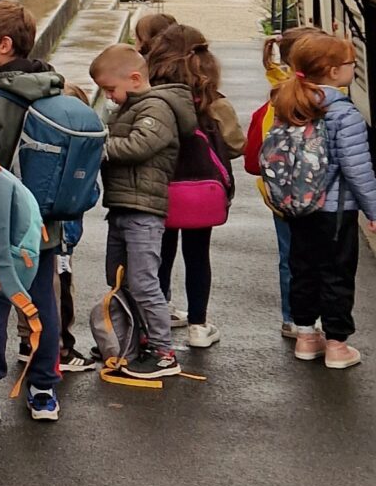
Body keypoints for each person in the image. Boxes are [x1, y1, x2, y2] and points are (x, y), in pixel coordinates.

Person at [0, 1, 66, 424]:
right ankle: (43, 392)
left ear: (3, 45)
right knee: (42, 304)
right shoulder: (54, 89)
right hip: (46, 224)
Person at [91, 42, 196, 381]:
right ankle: (131, 342)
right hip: (122, 206)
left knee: (144, 283)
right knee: (119, 279)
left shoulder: (156, 107)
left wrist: (100, 147)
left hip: (145, 210)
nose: (109, 97)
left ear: (135, 78)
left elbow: (140, 145)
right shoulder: (129, 107)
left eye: (111, 89)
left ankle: (164, 352)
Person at [275, 31, 376, 368]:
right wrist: (373, 210)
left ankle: (306, 338)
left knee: (303, 269)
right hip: (335, 210)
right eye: (351, 63)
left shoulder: (290, 103)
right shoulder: (344, 114)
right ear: (333, 71)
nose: (354, 68)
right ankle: (336, 345)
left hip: (298, 206)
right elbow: (357, 169)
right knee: (336, 275)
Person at [149, 23, 244, 349]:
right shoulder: (214, 103)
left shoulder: (153, 98)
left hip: (160, 188)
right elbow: (236, 145)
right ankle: (199, 326)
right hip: (201, 193)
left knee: (160, 255)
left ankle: (158, 316)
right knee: (198, 255)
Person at [246, 30, 302, 337]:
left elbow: (257, 158)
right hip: (315, 195)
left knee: (288, 257)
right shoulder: (317, 100)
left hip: (278, 195)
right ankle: (312, 317)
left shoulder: (276, 96)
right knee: (317, 258)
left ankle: (291, 317)